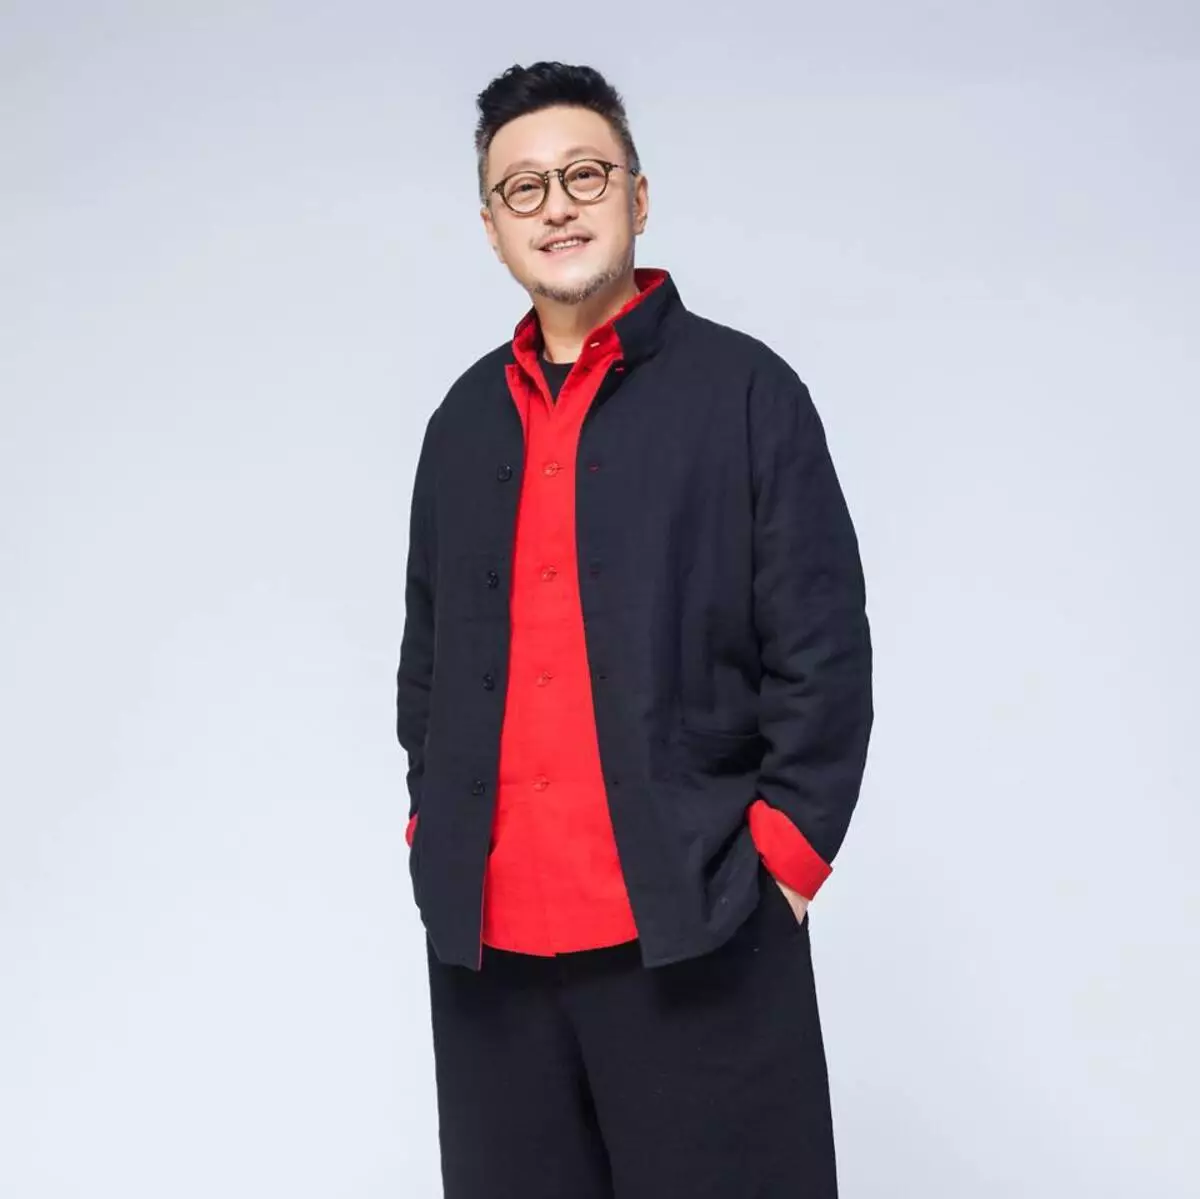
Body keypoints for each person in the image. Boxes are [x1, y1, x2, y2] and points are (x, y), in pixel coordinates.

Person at [395, 60, 873, 1199]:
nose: (556, 206)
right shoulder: (462, 421)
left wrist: (783, 861)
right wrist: (431, 830)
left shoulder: (747, 392)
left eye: (585, 174)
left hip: (699, 927)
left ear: (638, 196)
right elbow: (427, 660)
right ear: (492, 226)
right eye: (524, 187)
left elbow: (822, 647)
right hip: (490, 951)